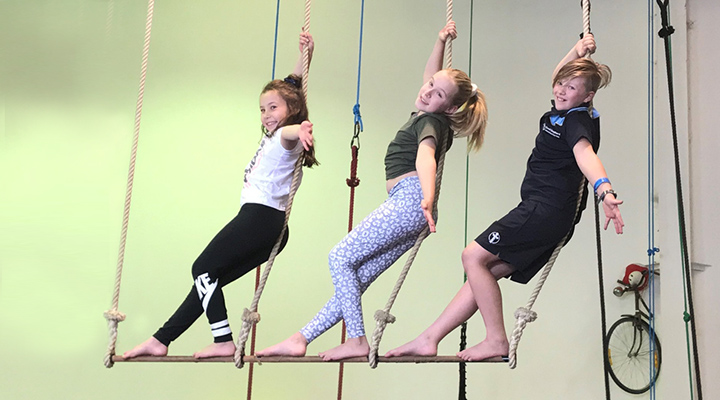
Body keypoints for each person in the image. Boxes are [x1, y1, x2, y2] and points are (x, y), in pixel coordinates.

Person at [257, 21, 488, 361]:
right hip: (411, 205)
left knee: (339, 257)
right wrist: (439, 40)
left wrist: (426, 196)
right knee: (355, 276)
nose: (427, 90)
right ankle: (301, 337)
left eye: (437, 93)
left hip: (411, 201)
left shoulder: (430, 123)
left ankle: (357, 340)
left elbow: (425, 157)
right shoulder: (432, 113)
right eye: (429, 85)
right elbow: (432, 74)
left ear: (450, 107)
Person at [386, 33, 623, 362]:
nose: (561, 90)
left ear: (588, 96)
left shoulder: (576, 122)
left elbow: (586, 157)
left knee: (472, 257)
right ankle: (431, 337)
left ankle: (496, 340)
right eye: (561, 84)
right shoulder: (563, 110)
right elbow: (561, 73)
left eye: (571, 88)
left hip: (544, 211)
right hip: (549, 215)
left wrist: (605, 191)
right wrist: (577, 49)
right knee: (486, 270)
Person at [122, 32, 318, 360]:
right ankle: (161, 339)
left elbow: (290, 131)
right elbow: (294, 85)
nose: (267, 114)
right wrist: (305, 55)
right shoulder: (273, 135)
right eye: (262, 109)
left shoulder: (285, 138)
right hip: (271, 226)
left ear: (291, 110)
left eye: (273, 107)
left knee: (201, 267)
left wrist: (301, 129)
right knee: (206, 282)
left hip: (260, 218)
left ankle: (223, 340)